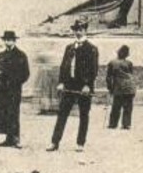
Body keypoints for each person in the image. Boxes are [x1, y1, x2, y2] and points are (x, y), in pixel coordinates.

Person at [47, 19, 99, 151]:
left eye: (81, 29)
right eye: (76, 30)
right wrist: (61, 82)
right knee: (62, 114)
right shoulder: (69, 48)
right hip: (69, 86)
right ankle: (54, 142)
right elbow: (64, 66)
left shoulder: (91, 49)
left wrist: (87, 85)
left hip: (83, 87)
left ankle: (80, 143)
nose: (78, 32)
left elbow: (94, 69)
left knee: (83, 115)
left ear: (85, 30)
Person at [0, 30, 30, 149]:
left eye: (10, 40)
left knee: (13, 112)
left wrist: (14, 81)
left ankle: (15, 138)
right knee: (3, 112)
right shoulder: (1, 55)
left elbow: (25, 73)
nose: (8, 42)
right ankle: (8, 139)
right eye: (6, 40)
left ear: (14, 41)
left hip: (13, 89)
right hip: (2, 89)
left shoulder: (20, 55)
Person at [105, 44, 136, 130]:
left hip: (118, 87)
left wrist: (110, 88)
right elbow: (131, 74)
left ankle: (113, 123)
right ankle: (126, 124)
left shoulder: (112, 63)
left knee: (116, 106)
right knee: (128, 107)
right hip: (130, 87)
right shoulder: (129, 63)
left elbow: (108, 77)